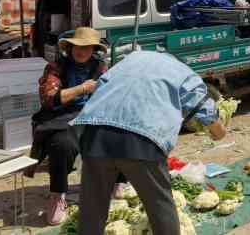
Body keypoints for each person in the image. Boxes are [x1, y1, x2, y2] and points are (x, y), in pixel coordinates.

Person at [72, 50, 226, 235]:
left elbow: (100, 87)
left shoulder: (129, 60)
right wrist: (219, 131)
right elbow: (201, 105)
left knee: (92, 208)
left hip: (96, 134)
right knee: (159, 205)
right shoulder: (182, 71)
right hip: (141, 140)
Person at [27, 27, 117, 226]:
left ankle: (116, 183)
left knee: (119, 134)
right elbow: (49, 98)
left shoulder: (100, 67)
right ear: (70, 47)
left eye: (86, 47)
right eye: (78, 46)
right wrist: (82, 88)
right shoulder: (55, 67)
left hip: (91, 115)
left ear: (94, 49)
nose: (81, 51)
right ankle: (58, 195)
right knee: (62, 144)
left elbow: (110, 92)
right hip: (61, 115)